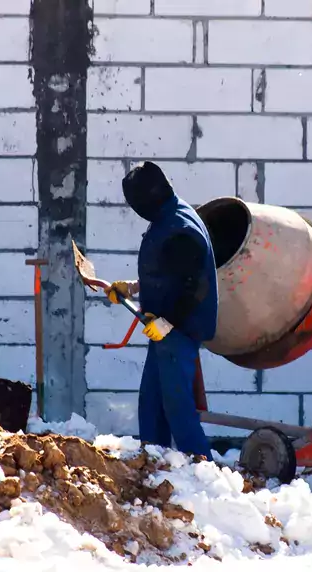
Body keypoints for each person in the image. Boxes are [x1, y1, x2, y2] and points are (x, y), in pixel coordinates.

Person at [104, 161, 218, 461]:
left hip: (178, 332)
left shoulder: (180, 228)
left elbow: (196, 287)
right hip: (165, 333)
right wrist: (133, 287)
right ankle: (154, 466)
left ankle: (203, 473)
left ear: (147, 201)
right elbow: (172, 273)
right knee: (152, 407)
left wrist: (169, 322)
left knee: (178, 409)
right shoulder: (169, 216)